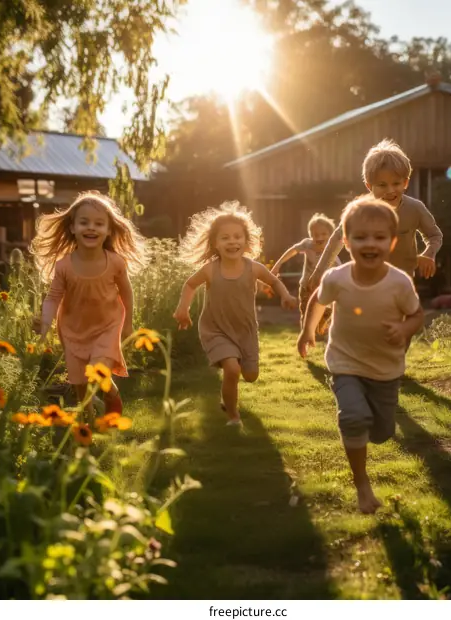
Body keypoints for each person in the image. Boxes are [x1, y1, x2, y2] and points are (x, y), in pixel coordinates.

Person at [298, 196, 424, 514]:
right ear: (346, 241)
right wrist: (308, 330)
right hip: (345, 362)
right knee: (354, 418)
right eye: (361, 237)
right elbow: (318, 300)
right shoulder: (336, 278)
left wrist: (404, 330)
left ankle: (372, 426)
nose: (370, 244)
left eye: (379, 237)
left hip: (386, 369)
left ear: (392, 242)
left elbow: (417, 316)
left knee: (381, 432)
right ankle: (362, 486)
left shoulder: (399, 283)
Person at [173, 201, 297, 426]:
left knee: (250, 376)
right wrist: (183, 308)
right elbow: (190, 285)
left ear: (246, 241)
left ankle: (227, 397)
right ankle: (233, 416)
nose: (232, 241)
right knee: (232, 369)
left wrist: (286, 296)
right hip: (215, 329)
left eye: (237, 236)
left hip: (245, 330)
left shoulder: (253, 268)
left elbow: (273, 281)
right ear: (215, 244)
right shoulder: (211, 269)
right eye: (225, 237)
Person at [31, 191, 146, 422]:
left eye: (98, 223)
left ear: (109, 230)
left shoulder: (115, 262)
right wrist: (45, 324)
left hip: (107, 325)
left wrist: (128, 324)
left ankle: (111, 393)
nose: (91, 228)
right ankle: (88, 423)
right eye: (84, 222)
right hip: (73, 329)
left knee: (98, 369)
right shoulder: (64, 266)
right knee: (79, 383)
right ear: (72, 227)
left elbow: (126, 292)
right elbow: (53, 297)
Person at [308, 139, 442, 290]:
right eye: (382, 185)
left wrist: (429, 253)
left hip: (402, 284)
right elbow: (337, 239)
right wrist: (319, 271)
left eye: (396, 183)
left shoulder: (415, 208)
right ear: (369, 186)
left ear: (405, 183)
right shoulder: (359, 212)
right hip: (366, 282)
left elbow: (434, 235)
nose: (390, 190)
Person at [270, 213, 341, 333]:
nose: (319, 238)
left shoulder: (332, 254)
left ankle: (322, 323)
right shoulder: (308, 244)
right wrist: (278, 265)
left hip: (323, 289)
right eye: (315, 235)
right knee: (306, 312)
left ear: (330, 236)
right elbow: (292, 251)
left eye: (323, 234)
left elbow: (340, 271)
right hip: (306, 287)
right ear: (311, 235)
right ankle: (306, 335)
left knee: (326, 311)